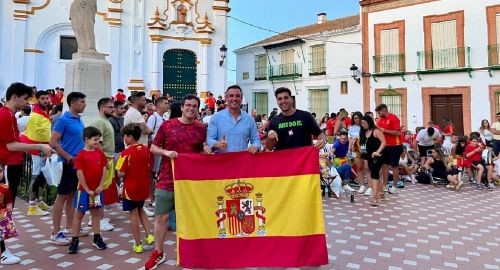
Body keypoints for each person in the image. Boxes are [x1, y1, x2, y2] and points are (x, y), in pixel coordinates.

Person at [145, 94, 206, 270]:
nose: (191, 108)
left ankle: (190, 253)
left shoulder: (200, 129)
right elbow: (153, 147)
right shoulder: (167, 126)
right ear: (182, 107)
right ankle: (158, 252)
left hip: (190, 181)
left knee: (189, 218)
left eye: (195, 106)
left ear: (197, 109)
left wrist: (208, 151)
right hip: (167, 178)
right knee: (161, 217)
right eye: (188, 105)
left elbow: (200, 151)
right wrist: (166, 153)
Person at [0, 82, 53, 209]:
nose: (27, 103)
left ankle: (6, 228)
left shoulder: (9, 114)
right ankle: (5, 228)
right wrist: (39, 146)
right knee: (5, 207)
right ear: (14, 97)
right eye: (25, 99)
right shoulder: (6, 115)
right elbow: (11, 146)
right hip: (8, 164)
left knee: (6, 205)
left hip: (11, 164)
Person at [49, 91, 88, 245]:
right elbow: (53, 142)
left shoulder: (78, 119)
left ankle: (70, 227)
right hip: (67, 164)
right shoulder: (63, 120)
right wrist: (68, 156)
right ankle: (55, 232)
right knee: (62, 197)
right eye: (81, 102)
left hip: (76, 164)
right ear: (72, 103)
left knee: (71, 196)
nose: (84, 105)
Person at [68, 126, 108, 254]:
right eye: (95, 139)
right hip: (84, 191)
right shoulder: (81, 155)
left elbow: (104, 169)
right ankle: (74, 239)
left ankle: (97, 237)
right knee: (79, 214)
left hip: (96, 191)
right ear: (87, 139)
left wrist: (100, 185)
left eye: (98, 140)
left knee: (95, 213)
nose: (97, 142)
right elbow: (79, 173)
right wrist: (86, 189)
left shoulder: (99, 153)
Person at [116, 124, 154, 253]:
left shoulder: (125, 153)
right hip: (143, 187)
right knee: (141, 210)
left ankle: (138, 244)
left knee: (133, 215)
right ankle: (149, 235)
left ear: (130, 137)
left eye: (125, 136)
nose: (124, 139)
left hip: (131, 189)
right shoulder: (146, 150)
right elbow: (150, 167)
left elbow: (120, 173)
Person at [21, 90, 53, 216]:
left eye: (47, 98)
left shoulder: (42, 112)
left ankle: (39, 202)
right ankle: (31, 206)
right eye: (43, 98)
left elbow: (45, 132)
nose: (46, 100)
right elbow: (38, 134)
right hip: (38, 149)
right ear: (37, 99)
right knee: (35, 175)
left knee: (41, 176)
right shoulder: (36, 115)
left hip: (43, 148)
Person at [206, 85, 260, 154]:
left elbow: (256, 140)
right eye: (231, 96)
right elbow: (209, 139)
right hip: (222, 162)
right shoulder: (216, 117)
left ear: (241, 98)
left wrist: (255, 146)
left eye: (237, 96)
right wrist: (218, 144)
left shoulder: (249, 119)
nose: (234, 99)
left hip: (241, 161)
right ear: (226, 98)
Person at [90, 98, 116, 231]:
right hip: (102, 159)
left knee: (103, 190)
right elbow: (97, 143)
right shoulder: (99, 122)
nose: (113, 109)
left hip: (107, 159)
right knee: (99, 190)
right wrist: (103, 159)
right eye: (110, 107)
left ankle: (98, 217)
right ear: (102, 108)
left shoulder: (105, 121)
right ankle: (97, 220)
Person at [146, 97, 169, 209]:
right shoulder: (153, 117)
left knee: (160, 173)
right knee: (153, 173)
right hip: (156, 148)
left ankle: (158, 196)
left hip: (163, 149)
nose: (167, 105)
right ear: (159, 105)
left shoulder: (165, 117)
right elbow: (149, 133)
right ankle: (152, 198)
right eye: (165, 103)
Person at [375, 104, 403, 195]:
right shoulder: (380, 120)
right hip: (385, 145)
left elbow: (398, 132)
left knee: (394, 166)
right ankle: (385, 185)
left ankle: (395, 186)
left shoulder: (394, 118)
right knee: (384, 165)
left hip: (395, 145)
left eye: (379, 112)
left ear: (384, 110)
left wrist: (385, 131)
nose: (378, 114)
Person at [359, 115, 385, 206]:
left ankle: (375, 198)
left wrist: (377, 152)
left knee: (374, 174)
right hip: (369, 155)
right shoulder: (363, 132)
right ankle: (381, 193)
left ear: (369, 122)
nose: (362, 125)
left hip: (379, 155)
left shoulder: (376, 131)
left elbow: (383, 142)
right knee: (375, 174)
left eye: (364, 123)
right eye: (361, 123)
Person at [0, 162, 21, 265]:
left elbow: (8, 199)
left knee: (1, 233)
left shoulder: (4, 188)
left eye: (0, 171)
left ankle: (3, 252)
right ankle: (3, 253)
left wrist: (9, 205)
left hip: (1, 215)